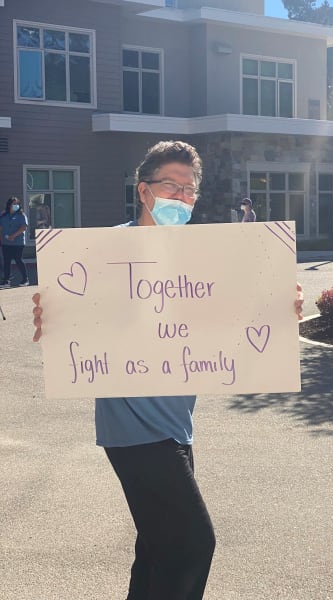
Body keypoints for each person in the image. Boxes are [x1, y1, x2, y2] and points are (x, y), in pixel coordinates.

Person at [31, 140, 304, 600]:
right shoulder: (103, 251)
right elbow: (69, 315)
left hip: (177, 426)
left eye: (189, 191)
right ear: (143, 190)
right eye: (171, 187)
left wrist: (283, 307)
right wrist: (50, 316)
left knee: (157, 547)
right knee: (195, 543)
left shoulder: (203, 257)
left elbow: (239, 319)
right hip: (132, 431)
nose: (181, 198)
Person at [0, 196, 29, 287]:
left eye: (17, 204)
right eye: (14, 204)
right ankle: (6, 281)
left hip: (18, 242)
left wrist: (13, 236)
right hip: (6, 243)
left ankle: (25, 279)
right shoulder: (4, 215)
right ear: (9, 205)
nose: (16, 206)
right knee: (6, 261)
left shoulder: (21, 215)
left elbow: (24, 227)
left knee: (18, 260)